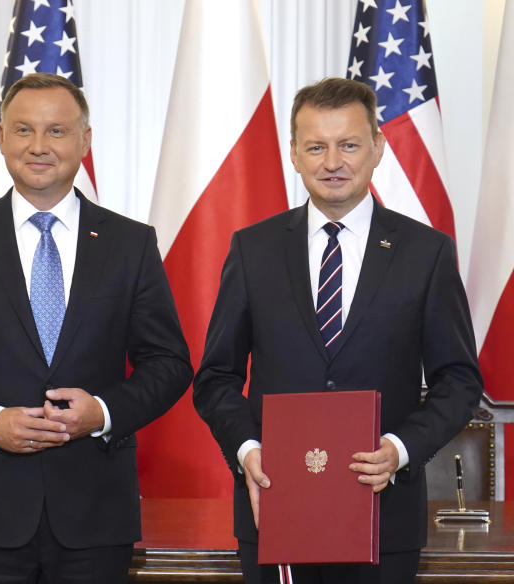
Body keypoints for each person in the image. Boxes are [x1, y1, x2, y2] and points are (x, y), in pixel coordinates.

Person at [0, 73, 192, 583]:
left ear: (84, 140)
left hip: (94, 514)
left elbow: (168, 363)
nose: (38, 146)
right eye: (24, 129)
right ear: (2, 137)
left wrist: (100, 412)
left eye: (57, 131)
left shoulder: (130, 244)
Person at [192, 76, 483, 583]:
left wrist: (401, 448)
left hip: (383, 520)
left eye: (349, 145)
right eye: (316, 147)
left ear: (378, 148)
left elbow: (458, 382)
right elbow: (216, 378)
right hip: (274, 511)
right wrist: (246, 449)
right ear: (294, 154)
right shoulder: (251, 250)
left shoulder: (426, 253)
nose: (332, 162)